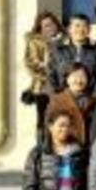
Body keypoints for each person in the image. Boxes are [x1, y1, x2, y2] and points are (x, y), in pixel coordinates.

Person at [48, 13, 96, 99]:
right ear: (69, 29)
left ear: (89, 30)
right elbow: (50, 76)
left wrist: (93, 98)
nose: (81, 30)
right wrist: (59, 97)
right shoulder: (58, 50)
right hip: (63, 100)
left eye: (84, 26)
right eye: (77, 26)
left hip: (90, 100)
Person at [23, 12, 64, 142]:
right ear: (40, 28)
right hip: (43, 87)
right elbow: (31, 64)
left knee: (63, 118)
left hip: (63, 87)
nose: (50, 28)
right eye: (45, 26)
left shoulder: (65, 39)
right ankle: (42, 148)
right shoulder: (35, 42)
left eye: (52, 24)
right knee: (44, 119)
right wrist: (45, 66)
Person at [46, 63, 96, 147]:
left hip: (88, 148)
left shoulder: (93, 101)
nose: (79, 80)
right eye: (75, 76)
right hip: (65, 147)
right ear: (67, 79)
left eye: (82, 76)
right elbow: (49, 125)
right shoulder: (57, 100)